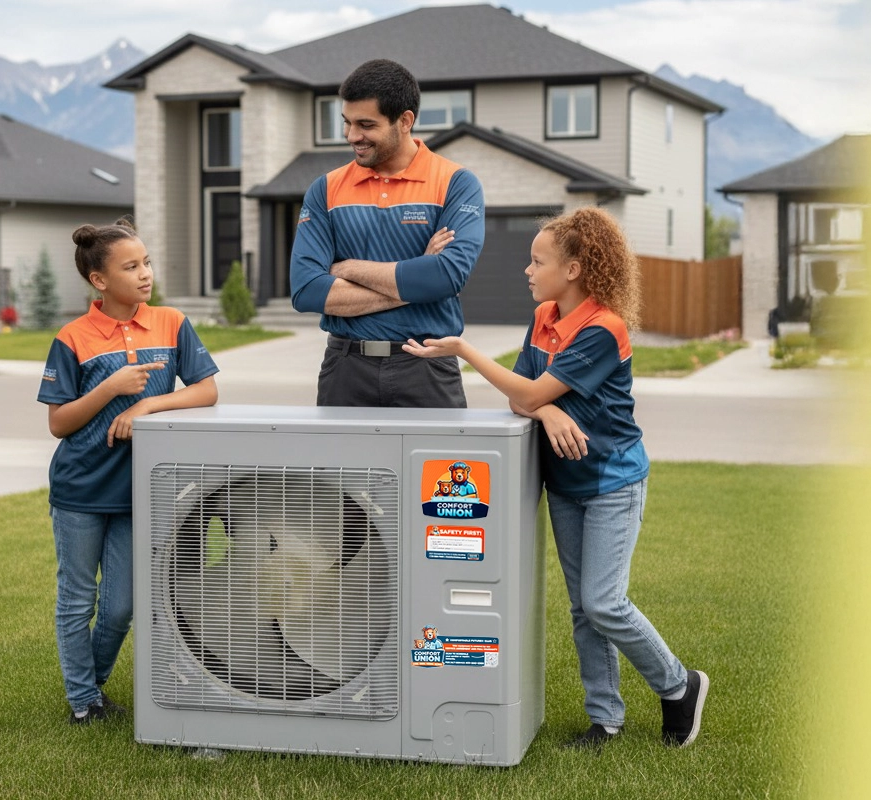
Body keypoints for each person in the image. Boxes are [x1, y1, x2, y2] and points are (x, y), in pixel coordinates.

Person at [403, 207, 709, 749]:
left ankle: (679, 684)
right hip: (565, 482)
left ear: (573, 269)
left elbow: (526, 390)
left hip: (613, 482)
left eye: (537, 260)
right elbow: (524, 390)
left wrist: (466, 350)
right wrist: (544, 410)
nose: (527, 269)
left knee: (603, 602)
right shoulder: (544, 314)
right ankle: (606, 718)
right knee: (582, 609)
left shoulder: (602, 328)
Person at [37, 217, 219, 724]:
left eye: (146, 263)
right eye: (131, 266)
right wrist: (110, 388)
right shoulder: (72, 338)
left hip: (142, 487)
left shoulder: (172, 323)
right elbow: (59, 422)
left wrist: (146, 407)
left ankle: (89, 687)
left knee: (121, 607)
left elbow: (206, 390)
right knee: (78, 600)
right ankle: (82, 704)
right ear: (99, 280)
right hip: (80, 488)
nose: (145, 274)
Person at [289, 58, 485, 408]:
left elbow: (447, 276)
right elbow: (306, 290)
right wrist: (417, 273)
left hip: (428, 367)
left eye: (366, 125)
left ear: (405, 121)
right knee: (341, 466)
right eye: (347, 123)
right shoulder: (326, 189)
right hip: (345, 368)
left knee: (438, 466)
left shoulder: (456, 183)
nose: (352, 136)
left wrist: (347, 268)